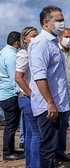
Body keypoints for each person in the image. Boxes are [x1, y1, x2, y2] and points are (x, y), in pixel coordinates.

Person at [28, 5, 70, 168]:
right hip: (49, 106)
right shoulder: (41, 43)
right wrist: (50, 102)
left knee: (53, 147)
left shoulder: (53, 43)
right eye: (58, 20)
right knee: (48, 149)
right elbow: (39, 76)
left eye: (63, 20)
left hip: (59, 104)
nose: (62, 23)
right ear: (46, 22)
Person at [15, 27, 40, 168]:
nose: (36, 38)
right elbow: (18, 78)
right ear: (25, 39)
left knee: (30, 134)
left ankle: (30, 164)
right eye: (33, 36)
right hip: (28, 98)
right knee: (37, 135)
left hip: (26, 98)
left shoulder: (29, 53)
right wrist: (32, 94)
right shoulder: (24, 54)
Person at [0, 31, 25, 160]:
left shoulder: (4, 52)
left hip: (4, 94)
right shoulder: (11, 56)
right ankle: (8, 153)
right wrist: (20, 92)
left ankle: (11, 150)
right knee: (11, 125)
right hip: (10, 95)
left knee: (11, 125)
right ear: (17, 42)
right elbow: (14, 78)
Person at [56, 28, 70, 162]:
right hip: (55, 95)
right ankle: (50, 154)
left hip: (68, 95)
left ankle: (60, 152)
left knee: (64, 125)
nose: (69, 39)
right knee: (53, 125)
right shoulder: (54, 50)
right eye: (66, 36)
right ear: (60, 37)